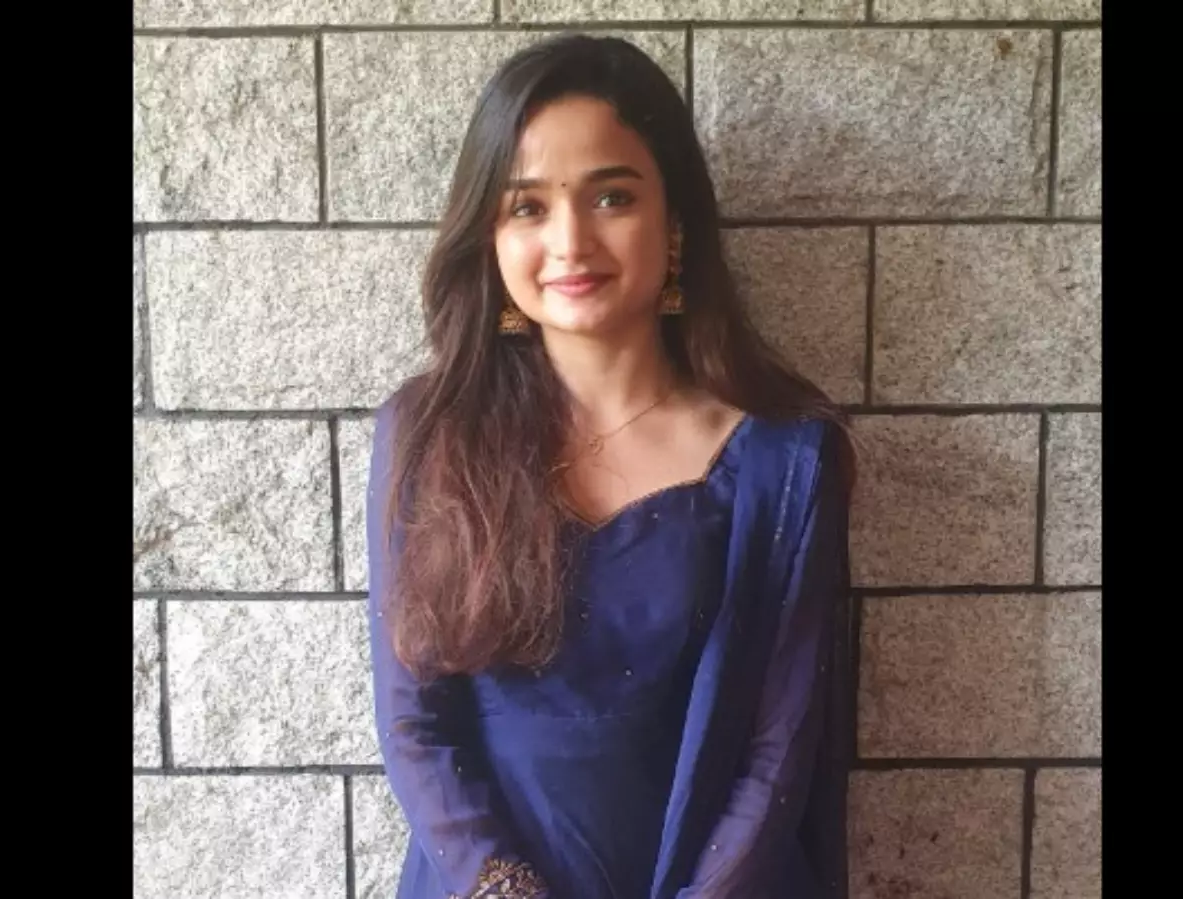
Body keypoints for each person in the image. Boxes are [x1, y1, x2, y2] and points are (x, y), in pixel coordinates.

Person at [365, 33, 856, 899]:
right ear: (490, 234)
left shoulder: (782, 463)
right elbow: (415, 725)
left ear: (675, 223)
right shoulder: (431, 434)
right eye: (528, 207)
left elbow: (777, 750)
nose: (570, 241)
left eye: (611, 197)